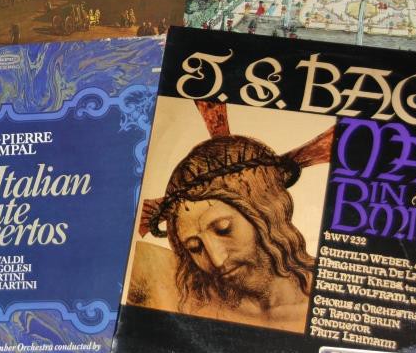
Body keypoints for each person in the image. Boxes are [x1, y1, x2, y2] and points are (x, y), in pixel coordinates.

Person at [128, 112, 330, 333]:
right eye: (194, 247)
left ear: (267, 213)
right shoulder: (187, 291)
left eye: (224, 230)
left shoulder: (330, 299)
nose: (217, 260)